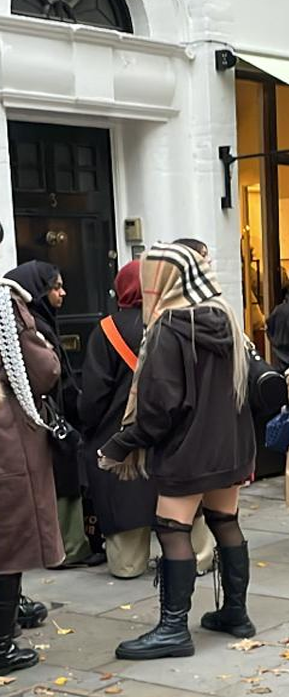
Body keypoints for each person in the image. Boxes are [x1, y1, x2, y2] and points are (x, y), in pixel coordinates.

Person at [94, 241, 256, 660]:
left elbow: (159, 407)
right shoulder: (224, 316)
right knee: (224, 521)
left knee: (172, 529)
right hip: (232, 442)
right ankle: (235, 613)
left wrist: (120, 445)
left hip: (189, 447)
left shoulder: (168, 327)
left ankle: (172, 629)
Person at [79, 262, 215, 580]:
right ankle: (199, 556)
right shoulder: (183, 324)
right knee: (183, 499)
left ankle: (129, 562)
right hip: (177, 431)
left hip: (121, 433)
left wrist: (90, 429)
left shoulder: (108, 329)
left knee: (125, 500)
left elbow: (95, 395)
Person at [0, 226, 65, 673]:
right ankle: (2, 644)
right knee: (9, 537)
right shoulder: (6, 304)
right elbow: (42, 371)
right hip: (5, 436)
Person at [6, 261, 96, 569]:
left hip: (39, 418)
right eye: (55, 287)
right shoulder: (29, 325)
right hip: (36, 420)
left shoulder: (39, 321)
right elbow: (48, 372)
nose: (62, 293)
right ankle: (67, 547)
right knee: (58, 479)